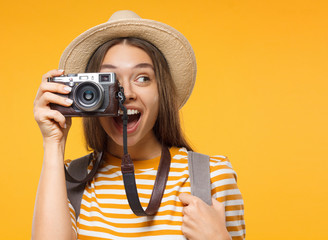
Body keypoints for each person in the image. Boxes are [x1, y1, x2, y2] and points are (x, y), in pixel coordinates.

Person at [32, 10, 245, 240]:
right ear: (89, 95)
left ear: (161, 92)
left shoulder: (213, 176)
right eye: (110, 80)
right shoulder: (70, 179)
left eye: (142, 78)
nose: (127, 94)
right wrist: (53, 144)